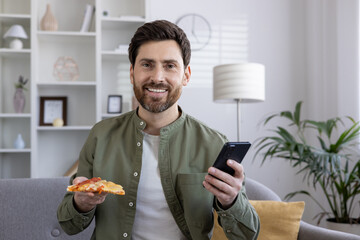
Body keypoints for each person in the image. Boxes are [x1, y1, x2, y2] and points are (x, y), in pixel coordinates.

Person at [57, 19, 260, 240]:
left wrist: (231, 201)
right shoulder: (100, 135)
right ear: (132, 72)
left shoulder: (213, 143)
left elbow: (246, 235)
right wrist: (81, 203)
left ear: (186, 75)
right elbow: (68, 225)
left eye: (170, 66)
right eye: (147, 64)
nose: (157, 77)